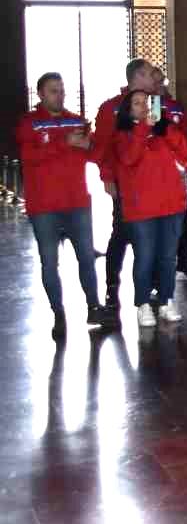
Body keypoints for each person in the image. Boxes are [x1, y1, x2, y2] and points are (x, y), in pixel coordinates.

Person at [18, 72, 114, 339]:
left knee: (86, 257)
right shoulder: (30, 123)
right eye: (53, 91)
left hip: (76, 203)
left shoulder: (75, 121)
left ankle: (94, 307)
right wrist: (64, 143)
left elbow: (94, 155)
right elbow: (29, 156)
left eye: (61, 90)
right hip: (45, 206)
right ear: (40, 94)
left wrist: (89, 143)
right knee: (50, 262)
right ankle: (58, 313)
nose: (58, 95)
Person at [114, 88, 187, 328]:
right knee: (145, 257)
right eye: (137, 103)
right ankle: (142, 304)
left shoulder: (166, 131)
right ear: (128, 109)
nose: (143, 107)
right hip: (142, 208)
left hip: (171, 204)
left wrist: (165, 128)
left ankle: (167, 300)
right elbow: (130, 158)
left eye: (147, 103)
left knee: (167, 257)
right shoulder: (124, 134)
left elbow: (186, 150)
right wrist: (144, 129)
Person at [93, 58, 161, 310]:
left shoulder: (155, 104)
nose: (153, 78)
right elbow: (103, 146)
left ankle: (153, 284)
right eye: (148, 74)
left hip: (152, 180)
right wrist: (107, 176)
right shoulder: (111, 107)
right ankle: (112, 287)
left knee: (153, 233)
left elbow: (160, 140)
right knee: (121, 232)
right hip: (124, 181)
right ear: (136, 77)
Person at [152, 66, 187, 283]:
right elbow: (158, 137)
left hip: (180, 170)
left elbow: (182, 134)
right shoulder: (149, 106)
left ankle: (183, 260)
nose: (162, 85)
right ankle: (160, 271)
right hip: (159, 174)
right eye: (157, 81)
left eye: (163, 81)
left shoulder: (174, 106)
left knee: (185, 218)